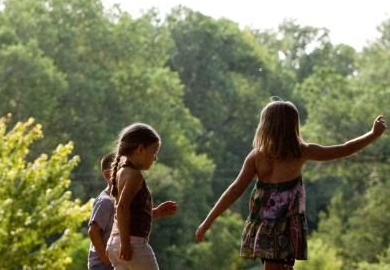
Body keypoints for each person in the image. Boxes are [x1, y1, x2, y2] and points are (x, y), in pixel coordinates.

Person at [196, 100, 386, 270]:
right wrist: (373, 134)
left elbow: (234, 190)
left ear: (265, 126)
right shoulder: (301, 152)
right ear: (293, 126)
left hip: (264, 226)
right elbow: (344, 149)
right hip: (286, 227)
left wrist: (208, 221)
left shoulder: (257, 156)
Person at [104, 123, 178, 270]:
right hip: (132, 243)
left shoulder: (122, 172)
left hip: (113, 243)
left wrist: (156, 212)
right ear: (140, 149)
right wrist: (126, 244)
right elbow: (122, 208)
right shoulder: (135, 176)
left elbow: (131, 212)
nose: (155, 158)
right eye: (154, 152)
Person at [87, 152, 117, 270]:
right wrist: (106, 260)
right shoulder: (106, 201)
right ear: (107, 175)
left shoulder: (122, 201)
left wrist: (157, 212)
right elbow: (93, 232)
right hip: (102, 265)